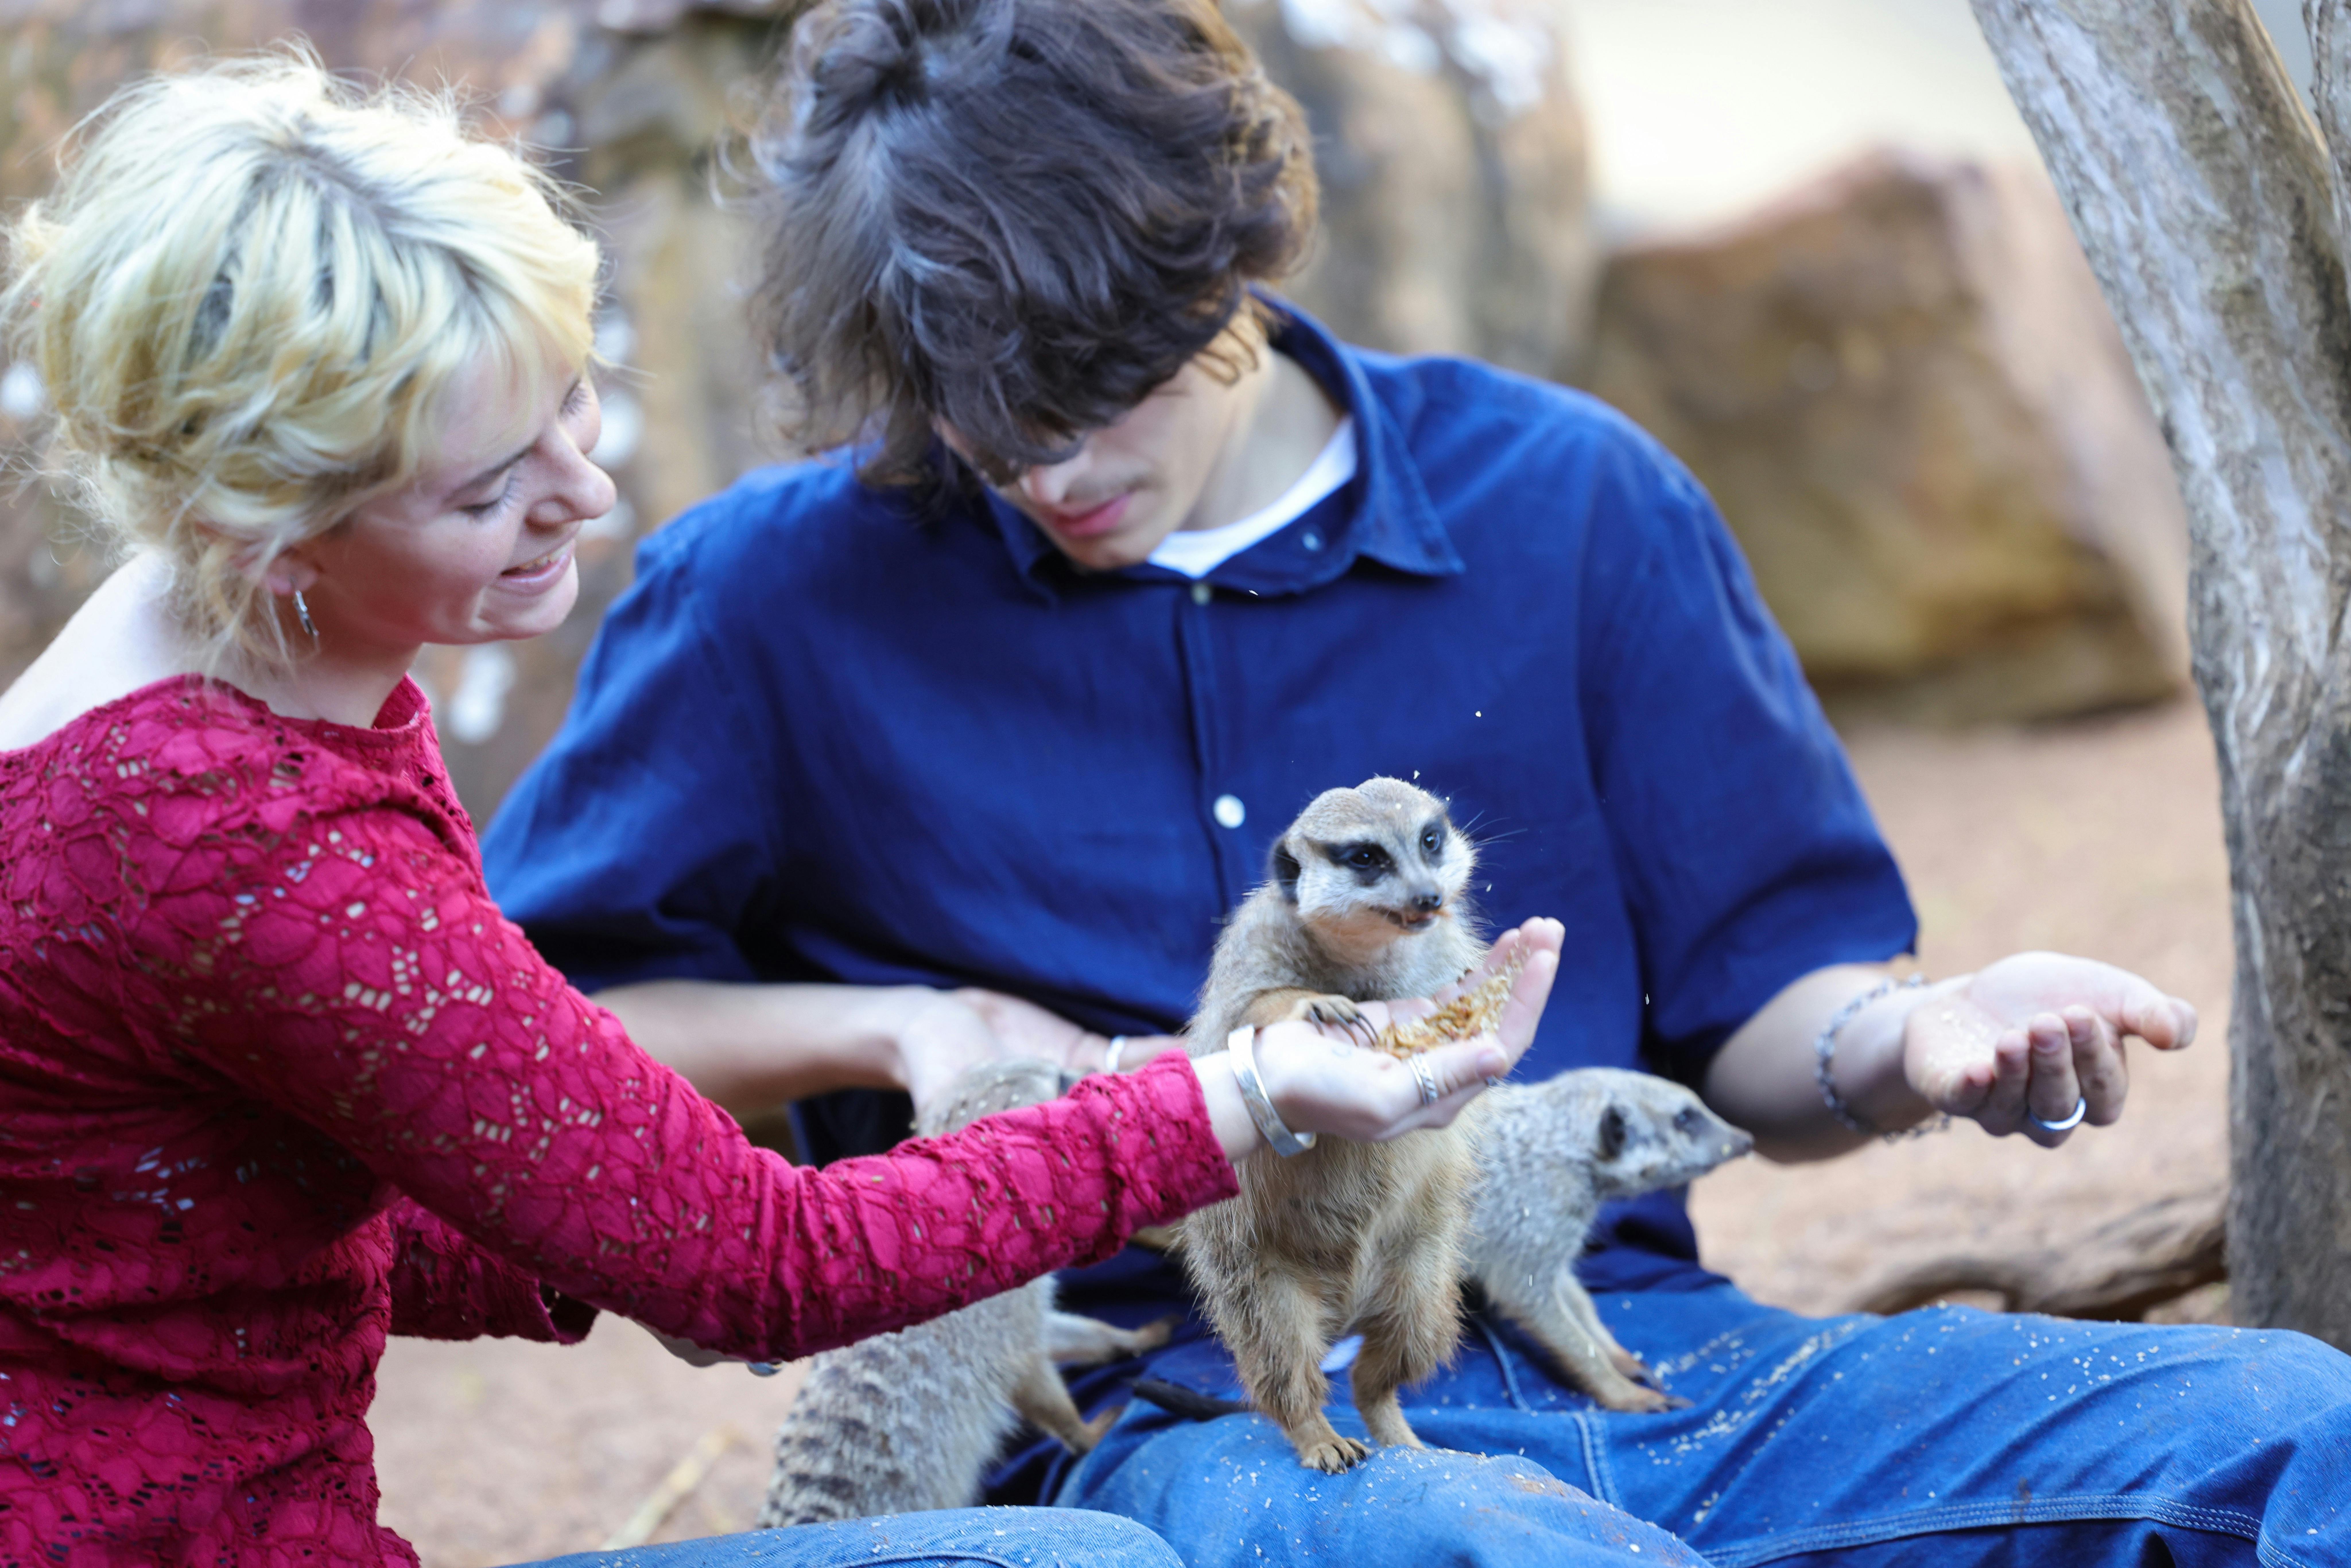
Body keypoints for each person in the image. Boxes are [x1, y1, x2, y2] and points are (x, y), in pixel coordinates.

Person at [479, 1, 2351, 1564]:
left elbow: (1767, 1028)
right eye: (979, 415)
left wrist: (1921, 1041)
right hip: (1190, 1420)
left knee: (2300, 1428)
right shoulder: (770, 596)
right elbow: (535, 1044)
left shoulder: (1569, 499)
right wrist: (905, 1032)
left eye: (1102, 382)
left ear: (1224, 241)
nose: (1045, 464)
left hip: (1640, 1348)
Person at [0, 51, 1560, 1568]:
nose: (584, 494)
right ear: (263, 526)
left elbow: (221, 1222)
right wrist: (1252, 1091)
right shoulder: (238, 837)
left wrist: (608, 1221)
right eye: (485, 491)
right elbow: (771, 1266)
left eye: (572, 399)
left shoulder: (207, 667)